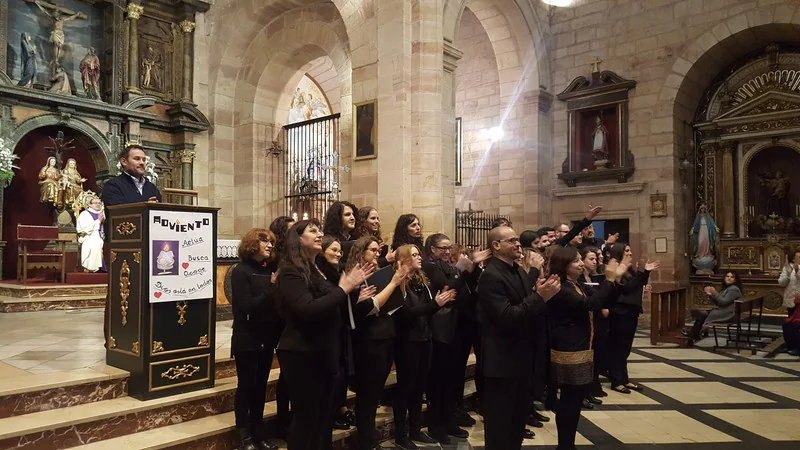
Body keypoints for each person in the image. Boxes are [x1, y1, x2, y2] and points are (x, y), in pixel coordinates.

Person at [275, 220, 372, 450]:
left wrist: (351, 293)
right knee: (306, 419)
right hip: (302, 352)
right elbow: (307, 309)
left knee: (322, 419)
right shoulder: (290, 271)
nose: (320, 234)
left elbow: (332, 302)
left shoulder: (316, 268)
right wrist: (344, 289)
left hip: (324, 350)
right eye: (313, 231)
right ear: (297, 238)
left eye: (320, 230)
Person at [477, 226, 561, 450]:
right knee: (499, 426)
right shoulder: (491, 276)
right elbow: (507, 317)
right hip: (501, 362)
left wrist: (544, 295)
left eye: (517, 240)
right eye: (512, 240)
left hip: (522, 358)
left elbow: (530, 307)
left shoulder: (516, 270)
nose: (518, 244)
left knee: (516, 423)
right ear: (496, 246)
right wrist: (539, 297)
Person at [547, 246, 624, 450]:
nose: (581, 263)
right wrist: (608, 279)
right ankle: (565, 445)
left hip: (582, 348)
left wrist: (615, 280)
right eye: (576, 261)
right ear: (564, 265)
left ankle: (567, 444)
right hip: (569, 350)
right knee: (569, 401)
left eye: (581, 259)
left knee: (575, 400)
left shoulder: (576, 284)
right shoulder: (561, 288)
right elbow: (591, 303)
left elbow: (603, 299)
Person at [422, 234, 486, 443]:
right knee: (438, 381)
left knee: (452, 379)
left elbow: (463, 286)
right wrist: (461, 268)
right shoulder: (430, 266)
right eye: (443, 248)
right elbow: (447, 287)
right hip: (440, 330)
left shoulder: (447, 266)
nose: (448, 251)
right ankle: (436, 425)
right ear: (432, 248)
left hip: (456, 327)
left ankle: (450, 419)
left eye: (450, 248)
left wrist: (472, 268)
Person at [346, 236, 407, 450]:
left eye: (377, 250)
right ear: (361, 253)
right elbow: (367, 308)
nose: (377, 254)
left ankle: (369, 439)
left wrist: (398, 285)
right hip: (367, 340)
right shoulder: (354, 277)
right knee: (368, 394)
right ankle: (367, 441)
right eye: (372, 250)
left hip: (385, 334)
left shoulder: (378, 273)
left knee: (375, 392)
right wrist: (393, 284)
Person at [392, 244, 455, 449]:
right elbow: (407, 312)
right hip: (407, 341)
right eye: (414, 255)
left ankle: (416, 430)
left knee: (420, 387)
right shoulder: (399, 282)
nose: (419, 258)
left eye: (419, 254)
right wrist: (435, 305)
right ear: (402, 259)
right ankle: (401, 435)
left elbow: (426, 310)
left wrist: (436, 305)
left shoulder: (421, 281)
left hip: (425, 337)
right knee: (405, 388)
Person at [101, 145, 161, 349]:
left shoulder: (152, 187)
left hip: (149, 246)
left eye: (144, 159)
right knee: (120, 292)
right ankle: (114, 339)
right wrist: (145, 203)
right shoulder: (112, 185)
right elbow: (117, 209)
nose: (142, 162)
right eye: (137, 159)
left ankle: (142, 337)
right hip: (121, 248)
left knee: (144, 292)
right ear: (124, 162)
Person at [230, 229, 281, 450]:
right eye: (264, 241)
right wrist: (271, 287)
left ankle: (258, 435)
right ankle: (244, 437)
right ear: (252, 244)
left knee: (260, 387)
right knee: (246, 387)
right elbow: (247, 306)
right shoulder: (240, 271)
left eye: (271, 242)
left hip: (266, 337)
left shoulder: (270, 269)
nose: (269, 245)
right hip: (247, 337)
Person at [606, 243, 658, 394]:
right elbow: (627, 288)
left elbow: (638, 284)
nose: (630, 253)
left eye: (630, 250)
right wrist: (643, 273)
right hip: (620, 312)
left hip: (630, 311)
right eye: (626, 251)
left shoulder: (629, 269)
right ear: (619, 253)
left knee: (625, 348)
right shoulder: (614, 268)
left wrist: (645, 273)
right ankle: (616, 381)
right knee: (618, 348)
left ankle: (624, 379)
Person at [578, 247, 609, 401]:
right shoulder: (579, 282)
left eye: (596, 259)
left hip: (598, 323)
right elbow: (594, 300)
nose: (595, 262)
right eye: (591, 259)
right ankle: (586, 391)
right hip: (587, 321)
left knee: (597, 356)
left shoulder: (595, 278)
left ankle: (593, 387)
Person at [684, 272, 742, 341]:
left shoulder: (734, 289)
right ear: (724, 278)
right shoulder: (727, 288)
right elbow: (718, 303)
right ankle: (694, 334)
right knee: (703, 313)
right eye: (727, 276)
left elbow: (723, 302)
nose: (729, 278)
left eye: (732, 277)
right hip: (725, 311)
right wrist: (711, 295)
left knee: (703, 313)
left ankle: (694, 334)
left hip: (728, 314)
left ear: (735, 280)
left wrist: (714, 292)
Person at [76, 197, 105, 272]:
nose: (98, 205)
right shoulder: (85, 214)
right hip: (88, 236)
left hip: (102, 235)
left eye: (99, 203)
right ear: (90, 205)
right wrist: (98, 221)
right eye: (95, 203)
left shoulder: (103, 214)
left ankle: (104, 267)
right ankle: (93, 268)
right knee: (96, 242)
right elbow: (85, 229)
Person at [778, 250, 800, 318]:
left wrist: (797, 271)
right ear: (793, 259)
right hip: (791, 301)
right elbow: (782, 283)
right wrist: (788, 274)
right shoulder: (787, 268)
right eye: (799, 257)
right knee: (792, 322)